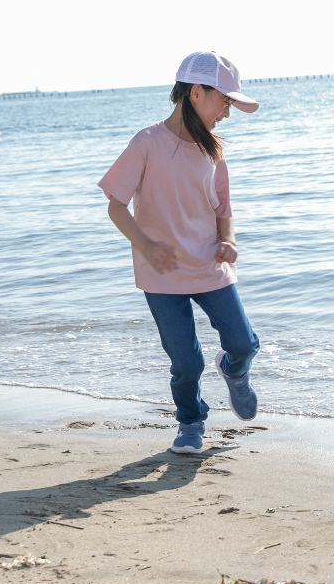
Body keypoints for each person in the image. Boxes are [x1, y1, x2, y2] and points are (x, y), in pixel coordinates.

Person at [99, 52, 262, 455]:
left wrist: (229, 240)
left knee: (242, 343)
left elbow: (223, 209)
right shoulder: (147, 142)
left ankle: (234, 371)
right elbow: (115, 206)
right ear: (196, 93)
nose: (227, 111)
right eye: (224, 100)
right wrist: (148, 246)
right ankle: (191, 423)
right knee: (186, 364)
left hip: (210, 265)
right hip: (162, 273)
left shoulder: (213, 150)